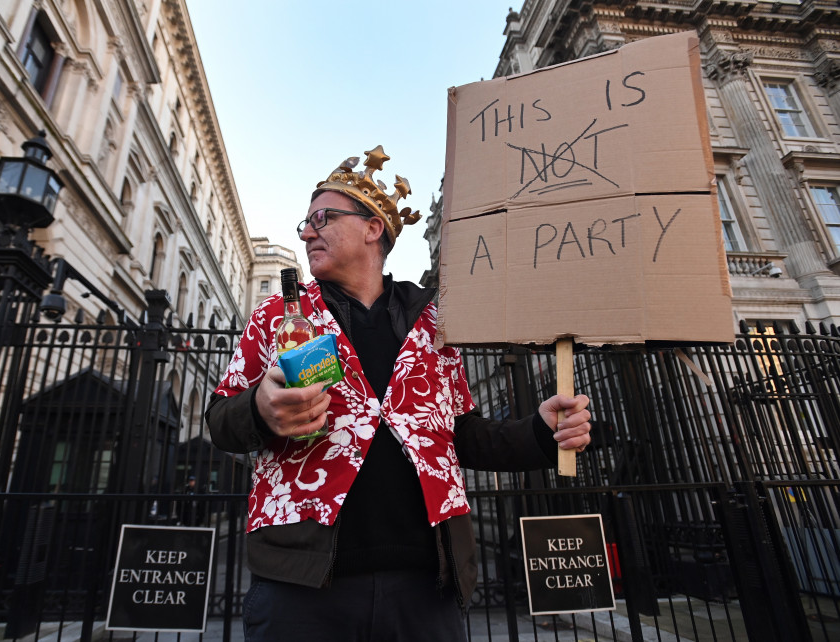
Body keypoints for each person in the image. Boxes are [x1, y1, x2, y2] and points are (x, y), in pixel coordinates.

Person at [206, 146, 591, 641]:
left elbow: (461, 435)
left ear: (372, 229)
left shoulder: (436, 322)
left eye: (321, 217)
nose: (305, 231)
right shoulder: (276, 315)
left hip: (426, 584)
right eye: (304, 223)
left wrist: (542, 431)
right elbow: (220, 420)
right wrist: (258, 409)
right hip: (300, 585)